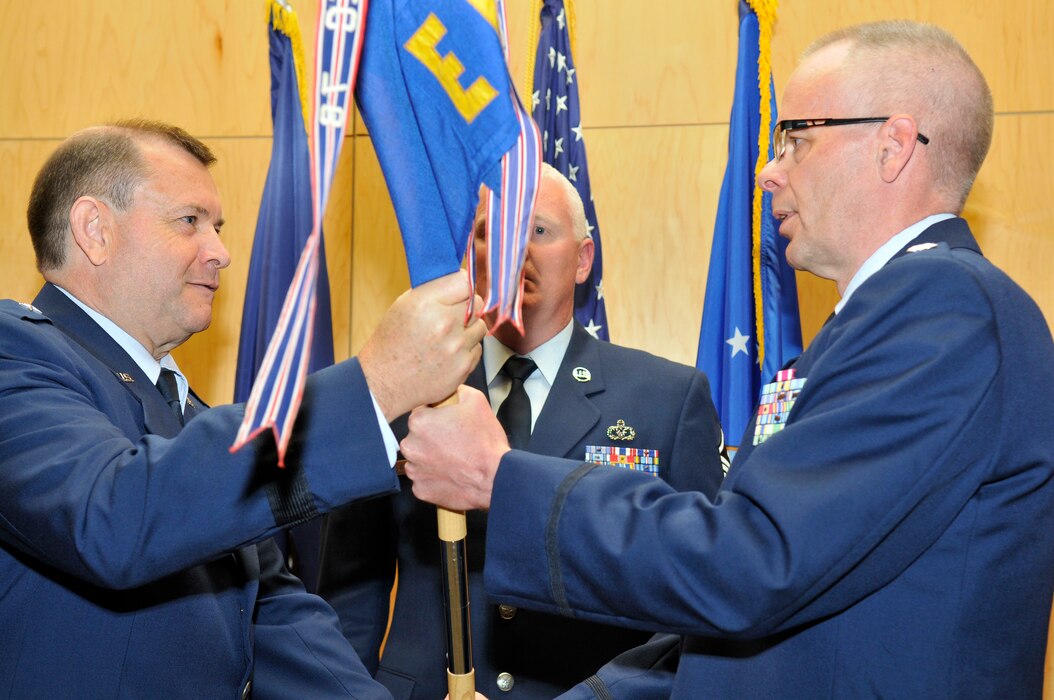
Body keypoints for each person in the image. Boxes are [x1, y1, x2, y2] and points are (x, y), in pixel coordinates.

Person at [400, 21, 1054, 698]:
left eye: (796, 137)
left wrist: (499, 479)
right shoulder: (886, 316)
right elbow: (750, 639)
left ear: (891, 145)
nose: (770, 170)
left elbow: (752, 562)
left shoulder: (946, 307)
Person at [0, 119, 486, 698]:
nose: (221, 253)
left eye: (218, 227)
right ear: (94, 229)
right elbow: (114, 517)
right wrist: (374, 386)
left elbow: (274, 617)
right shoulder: (16, 352)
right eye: (189, 221)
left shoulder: (186, 414)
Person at [318, 163, 728, 699]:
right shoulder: (407, 390)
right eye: (494, 231)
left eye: (538, 230)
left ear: (583, 260)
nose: (516, 249)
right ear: (473, 256)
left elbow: (697, 593)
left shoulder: (667, 399)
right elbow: (350, 591)